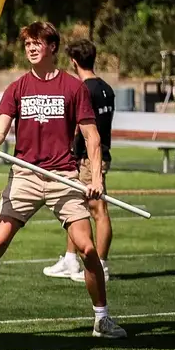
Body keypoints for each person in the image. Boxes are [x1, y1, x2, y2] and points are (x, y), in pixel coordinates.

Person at [0, 21, 125, 341]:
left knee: (86, 248)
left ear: (53, 47)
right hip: (25, 175)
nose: (30, 48)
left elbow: (92, 137)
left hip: (63, 176)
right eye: (27, 43)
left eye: (37, 43)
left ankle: (102, 318)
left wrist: (96, 178)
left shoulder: (73, 88)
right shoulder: (16, 88)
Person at [43, 38, 116, 283]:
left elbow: (80, 127)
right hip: (95, 155)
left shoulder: (83, 89)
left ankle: (101, 266)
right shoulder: (106, 88)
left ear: (74, 62)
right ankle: (70, 259)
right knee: (73, 205)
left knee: (97, 210)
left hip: (88, 158)